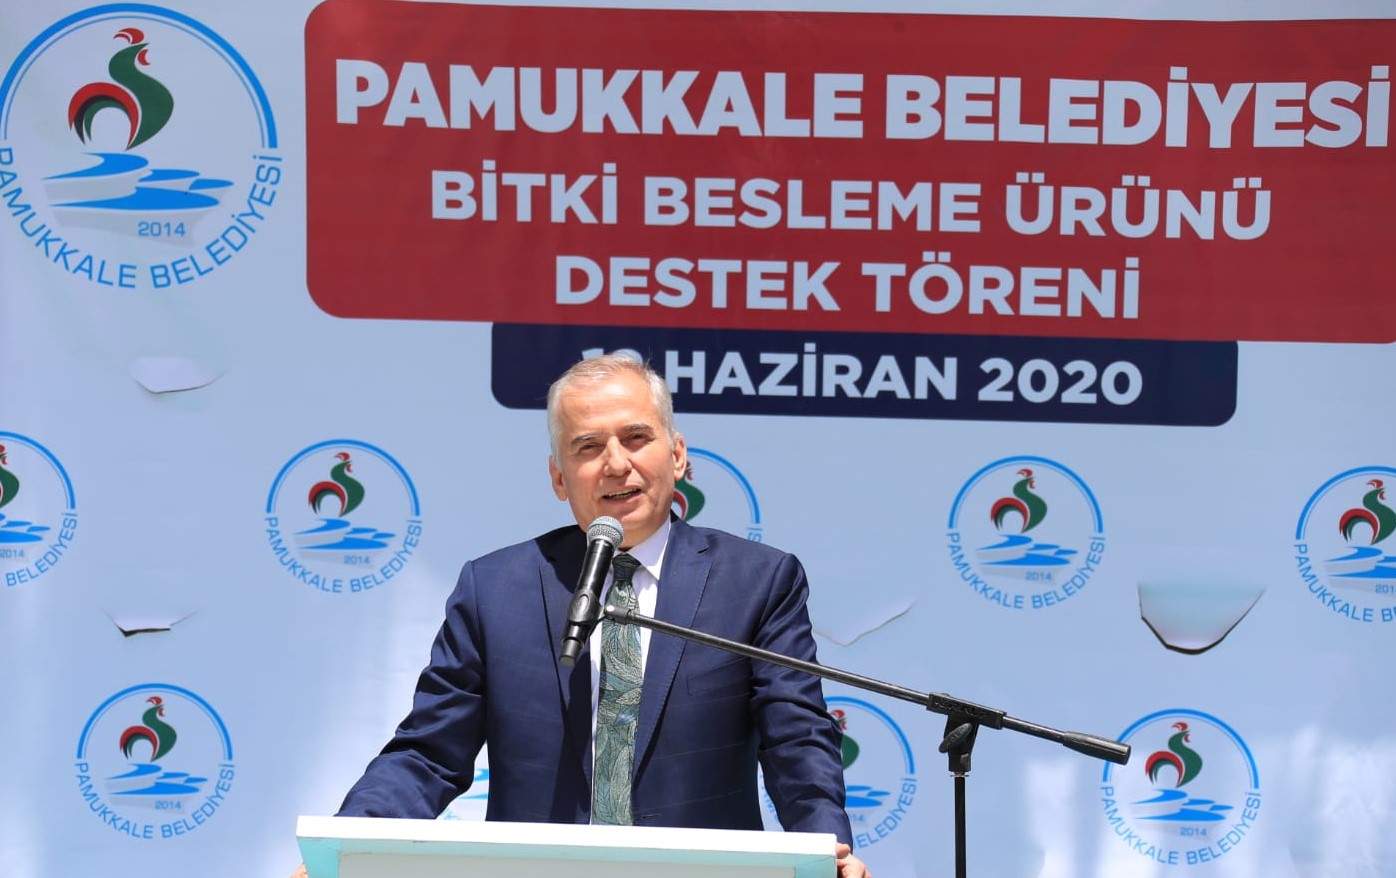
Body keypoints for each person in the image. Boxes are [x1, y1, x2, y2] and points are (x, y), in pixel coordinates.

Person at [293, 354, 869, 878]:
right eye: (588, 447)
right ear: (558, 477)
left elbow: (797, 739)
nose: (616, 464)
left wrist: (829, 850)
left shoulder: (757, 582)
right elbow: (429, 754)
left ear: (677, 454)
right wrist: (343, 850)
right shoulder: (494, 590)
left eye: (636, 437)